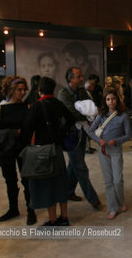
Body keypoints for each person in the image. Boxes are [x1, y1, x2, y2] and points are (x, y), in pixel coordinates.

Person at [21, 77, 75, 226]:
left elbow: (27, 129)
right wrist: (61, 133)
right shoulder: (58, 104)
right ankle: (64, 217)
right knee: (60, 182)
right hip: (56, 148)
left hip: (42, 150)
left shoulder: (37, 106)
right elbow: (70, 119)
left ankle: (52, 219)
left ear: (39, 90)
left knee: (47, 184)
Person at [0, 76, 36, 225]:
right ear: (11, 90)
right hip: (7, 148)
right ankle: (13, 208)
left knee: (27, 179)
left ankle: (31, 210)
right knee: (10, 180)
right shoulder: (1, 109)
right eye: (19, 90)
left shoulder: (27, 107)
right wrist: (10, 132)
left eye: (24, 90)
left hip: (23, 147)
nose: (22, 92)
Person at [57, 67, 101, 209]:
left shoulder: (82, 92)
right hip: (70, 135)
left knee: (74, 164)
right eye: (79, 76)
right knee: (80, 166)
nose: (82, 78)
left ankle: (67, 192)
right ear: (70, 78)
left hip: (83, 133)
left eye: (82, 76)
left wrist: (86, 112)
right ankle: (92, 198)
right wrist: (86, 113)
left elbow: (92, 109)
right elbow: (71, 113)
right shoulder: (63, 93)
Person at [87, 88, 132, 219]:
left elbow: (128, 135)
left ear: (117, 100)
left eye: (113, 99)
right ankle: (112, 208)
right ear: (105, 101)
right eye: (108, 99)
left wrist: (116, 141)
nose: (110, 102)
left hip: (116, 150)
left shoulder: (123, 116)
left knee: (117, 180)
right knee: (108, 181)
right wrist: (98, 140)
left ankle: (121, 201)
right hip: (103, 151)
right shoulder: (101, 116)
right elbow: (90, 131)